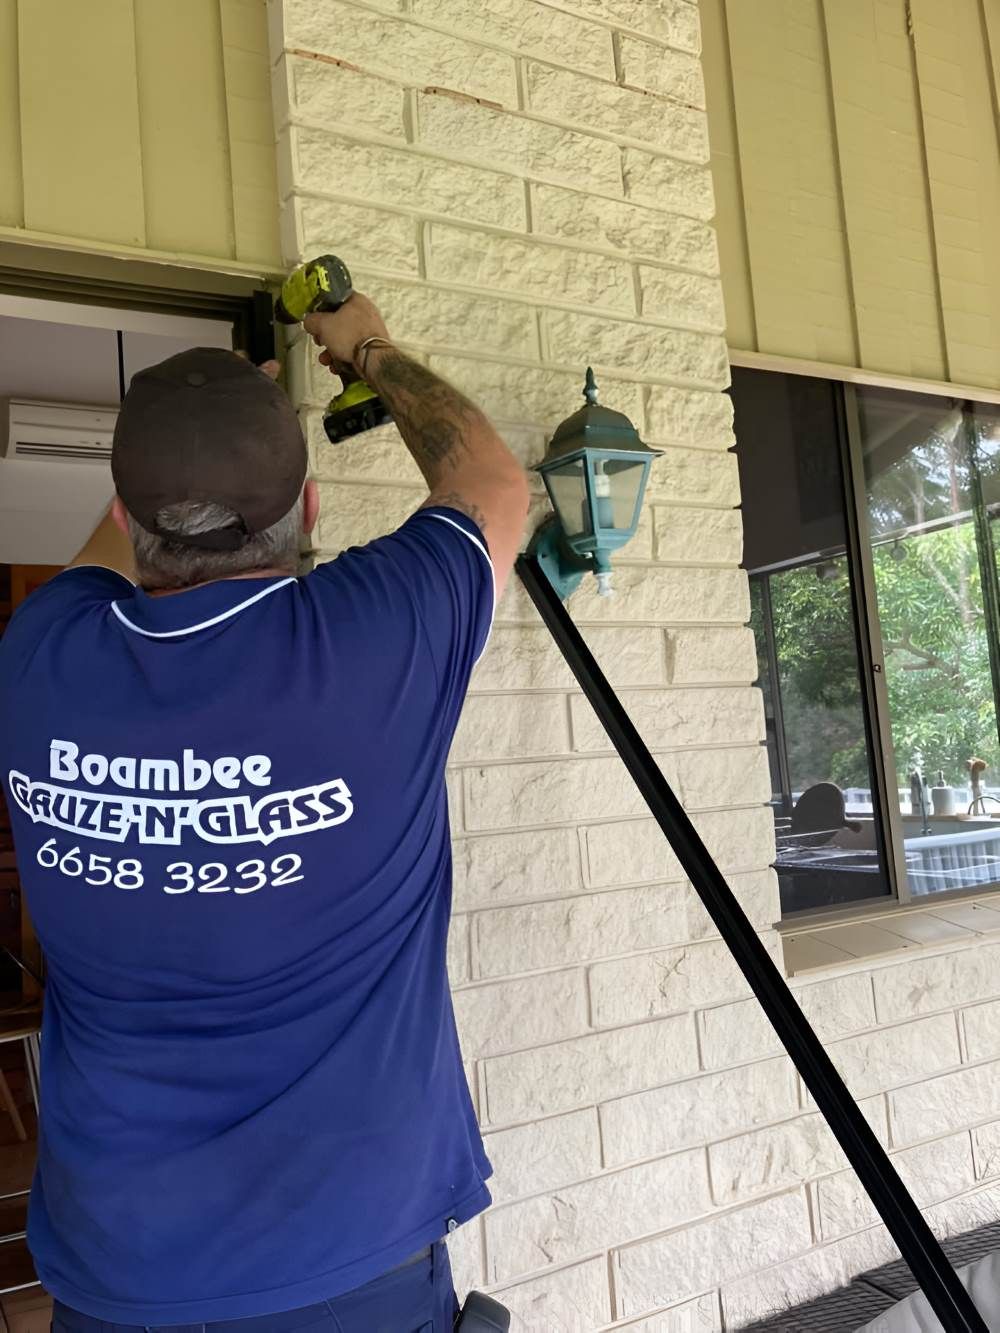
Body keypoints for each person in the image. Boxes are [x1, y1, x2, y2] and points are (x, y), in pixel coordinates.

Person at [0, 291, 529, 1332]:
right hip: (348, 1265)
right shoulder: (371, 644)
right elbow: (491, 482)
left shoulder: (39, 659)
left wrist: (155, 491)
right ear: (314, 509)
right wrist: (366, 346)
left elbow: (115, 558)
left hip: (116, 1269)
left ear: (121, 512)